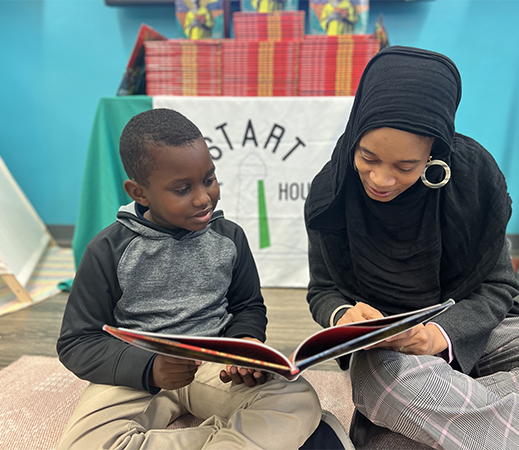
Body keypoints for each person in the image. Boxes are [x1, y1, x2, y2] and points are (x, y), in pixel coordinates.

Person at [304, 46, 519, 450]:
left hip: (477, 337)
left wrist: (440, 335)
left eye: (405, 167)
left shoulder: (474, 178)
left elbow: (498, 288)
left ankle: (422, 418)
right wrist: (343, 315)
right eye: (368, 157)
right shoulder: (330, 193)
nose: (381, 179)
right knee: (385, 383)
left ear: (434, 152)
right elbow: (322, 291)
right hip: (392, 361)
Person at [56, 108, 353, 450]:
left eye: (209, 179)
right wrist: (150, 368)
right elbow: (77, 342)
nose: (203, 198)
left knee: (297, 398)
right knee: (81, 444)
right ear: (139, 193)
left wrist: (246, 344)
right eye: (182, 189)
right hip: (137, 372)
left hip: (215, 367)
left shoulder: (229, 239)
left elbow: (248, 307)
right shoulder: (108, 249)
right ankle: (264, 441)